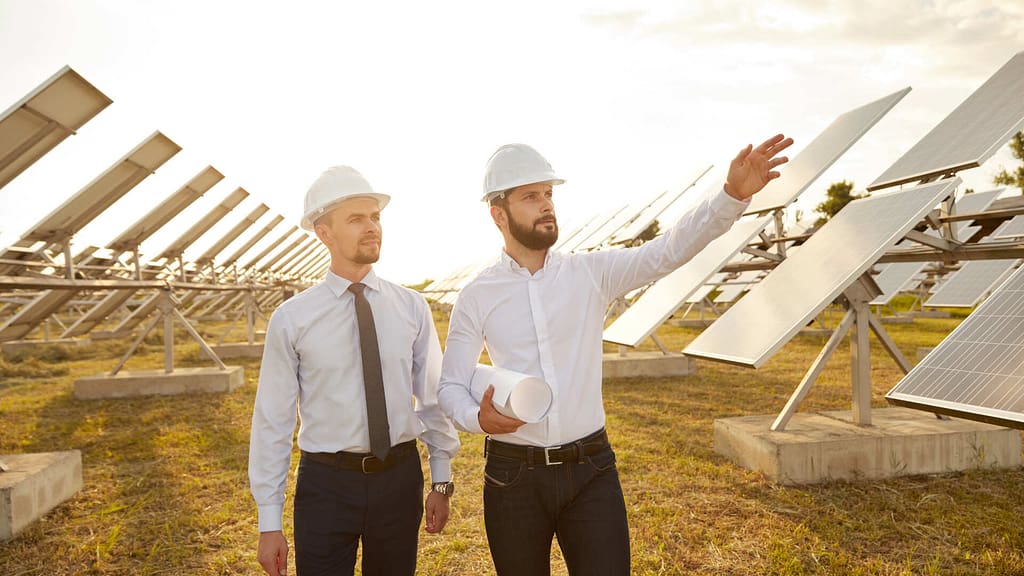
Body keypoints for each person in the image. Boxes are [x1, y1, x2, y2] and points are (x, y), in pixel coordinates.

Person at [438, 136, 792, 575]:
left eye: (549, 194)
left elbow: (667, 251)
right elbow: (451, 385)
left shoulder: (591, 273)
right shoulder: (477, 295)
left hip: (591, 470)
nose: (546, 204)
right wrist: (478, 420)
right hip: (513, 477)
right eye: (531, 196)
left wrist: (730, 196)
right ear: (499, 214)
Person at [249, 165, 460, 576]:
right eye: (356, 218)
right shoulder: (292, 319)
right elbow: (272, 421)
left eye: (375, 217)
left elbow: (432, 397)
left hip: (399, 480)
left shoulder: (411, 307)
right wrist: (268, 522)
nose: (371, 227)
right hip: (327, 486)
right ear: (323, 232)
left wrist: (441, 479)